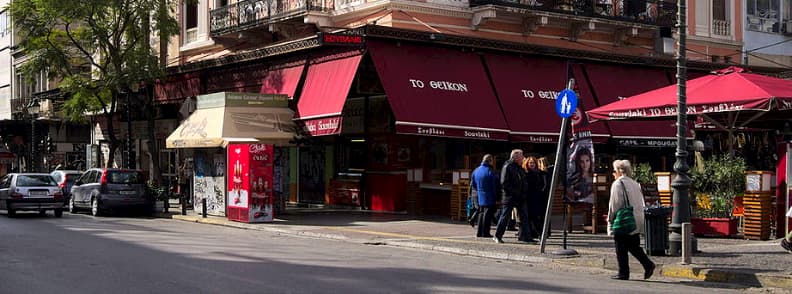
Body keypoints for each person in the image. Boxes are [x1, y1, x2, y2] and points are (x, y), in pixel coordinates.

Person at [608, 159, 655, 280]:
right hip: (636, 218)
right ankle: (648, 265)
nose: (613, 174)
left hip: (624, 219)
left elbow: (614, 204)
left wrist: (610, 220)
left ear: (618, 171)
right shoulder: (634, 183)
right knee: (633, 245)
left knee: (620, 246)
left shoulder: (618, 184)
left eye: (614, 171)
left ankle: (623, 272)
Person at [494, 149, 534, 244]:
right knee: (505, 216)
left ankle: (526, 237)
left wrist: (524, 191)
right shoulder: (508, 166)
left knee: (524, 216)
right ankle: (498, 235)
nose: (523, 158)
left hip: (520, 197)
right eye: (521, 156)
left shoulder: (519, 167)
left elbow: (523, 180)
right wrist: (514, 192)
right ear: (515, 157)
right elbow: (504, 183)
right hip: (510, 196)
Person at [471, 154, 499, 238]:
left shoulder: (476, 170)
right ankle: (485, 232)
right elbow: (495, 185)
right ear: (490, 161)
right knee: (487, 215)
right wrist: (497, 197)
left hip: (480, 195)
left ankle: (479, 232)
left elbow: (473, 184)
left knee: (481, 213)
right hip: (489, 195)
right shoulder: (491, 171)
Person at [522, 156, 546, 239]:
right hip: (527, 198)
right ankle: (530, 234)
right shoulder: (525, 173)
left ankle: (539, 233)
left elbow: (543, 185)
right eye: (530, 163)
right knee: (528, 217)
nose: (531, 164)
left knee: (535, 217)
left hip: (536, 198)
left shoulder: (539, 173)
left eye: (533, 162)